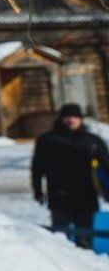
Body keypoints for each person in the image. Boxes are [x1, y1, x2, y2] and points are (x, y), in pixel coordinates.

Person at [31, 103, 107, 249]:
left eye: (74, 116)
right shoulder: (47, 141)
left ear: (81, 119)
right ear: (60, 119)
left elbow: (106, 167)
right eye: (66, 117)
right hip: (59, 196)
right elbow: (37, 168)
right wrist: (37, 190)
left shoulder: (92, 141)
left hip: (86, 197)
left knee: (85, 240)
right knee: (60, 240)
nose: (70, 120)